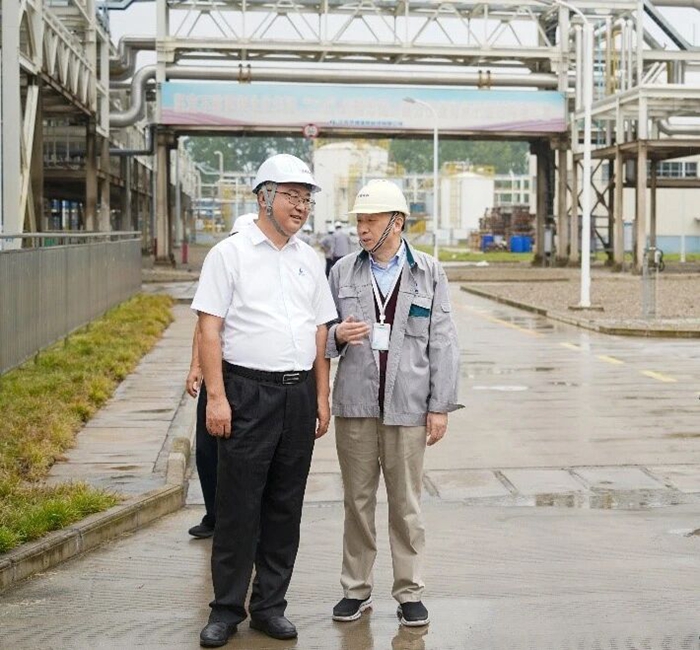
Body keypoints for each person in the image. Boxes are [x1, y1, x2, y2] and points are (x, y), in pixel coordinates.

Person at [192, 153, 337, 648]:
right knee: (237, 506)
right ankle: (226, 610)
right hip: (246, 393)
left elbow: (320, 332)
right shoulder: (228, 255)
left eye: (307, 198)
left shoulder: (309, 259)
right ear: (264, 196)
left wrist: (321, 396)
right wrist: (217, 397)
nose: (301, 206)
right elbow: (210, 328)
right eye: (292, 195)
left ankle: (270, 608)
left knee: (284, 506)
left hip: (298, 396)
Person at [326, 179, 462, 628]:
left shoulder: (428, 273)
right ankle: (355, 589)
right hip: (355, 406)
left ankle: (409, 592)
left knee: (406, 505)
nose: (362, 229)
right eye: (359, 221)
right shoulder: (342, 272)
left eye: (371, 221)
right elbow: (319, 335)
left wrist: (439, 406)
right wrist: (336, 336)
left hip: (408, 407)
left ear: (397, 223)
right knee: (357, 502)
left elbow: (443, 342)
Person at [186, 214, 259, 540]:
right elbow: (203, 328)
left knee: (245, 453)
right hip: (218, 375)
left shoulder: (264, 278)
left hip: (250, 378)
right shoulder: (222, 269)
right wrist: (196, 367)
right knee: (207, 450)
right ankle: (214, 515)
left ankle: (246, 520)